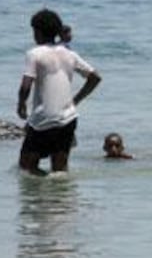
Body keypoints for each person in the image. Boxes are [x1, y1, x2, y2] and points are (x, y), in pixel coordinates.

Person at [16, 9, 102, 175]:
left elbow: (26, 85)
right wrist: (75, 101)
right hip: (68, 119)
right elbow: (95, 78)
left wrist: (21, 105)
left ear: (37, 32)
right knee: (60, 171)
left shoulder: (34, 53)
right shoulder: (69, 53)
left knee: (26, 168)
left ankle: (38, 199)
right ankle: (60, 200)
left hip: (43, 120)